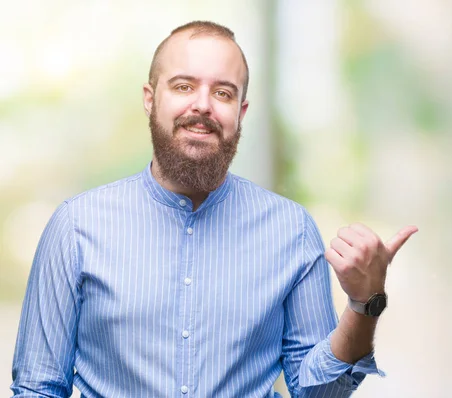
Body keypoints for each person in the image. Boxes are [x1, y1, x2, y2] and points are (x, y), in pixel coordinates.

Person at [11, 21, 418, 397]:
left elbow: (317, 394)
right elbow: (37, 388)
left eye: (222, 92)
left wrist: (364, 306)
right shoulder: (76, 227)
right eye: (184, 86)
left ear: (240, 113)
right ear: (150, 100)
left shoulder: (290, 230)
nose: (203, 105)